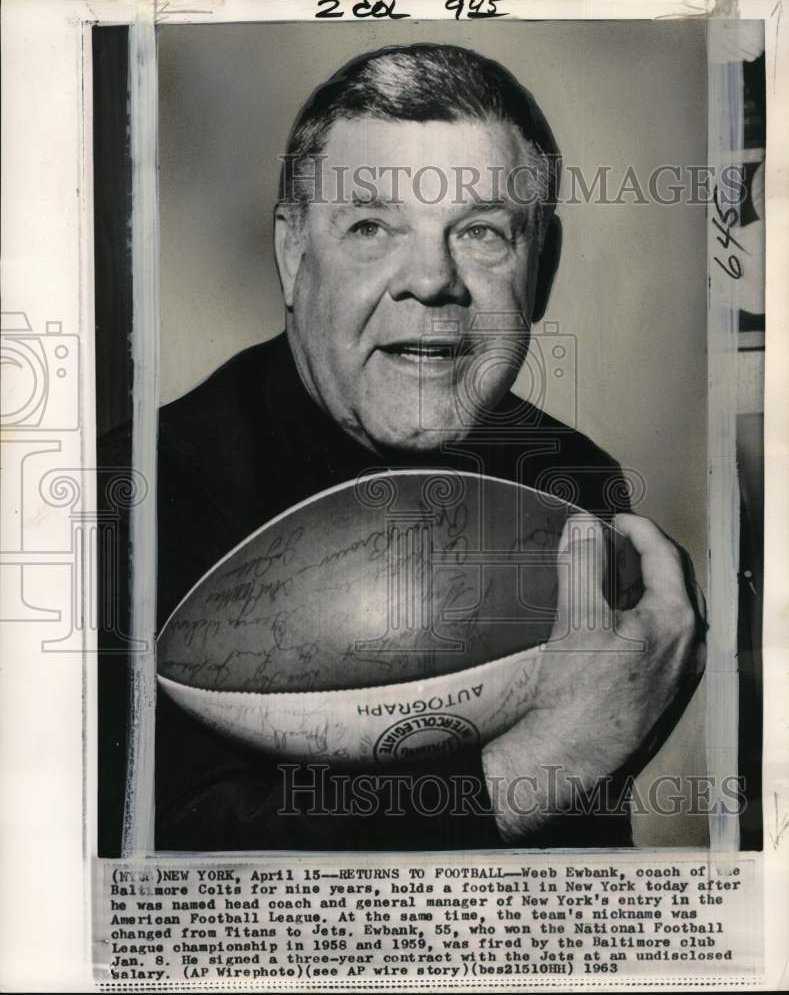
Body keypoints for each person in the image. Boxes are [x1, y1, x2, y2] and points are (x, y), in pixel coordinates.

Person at [99, 43, 705, 854]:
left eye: (481, 232)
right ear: (292, 254)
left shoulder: (569, 479)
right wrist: (546, 762)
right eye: (371, 227)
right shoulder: (128, 498)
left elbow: (575, 868)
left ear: (543, 268)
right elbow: (150, 869)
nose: (431, 280)